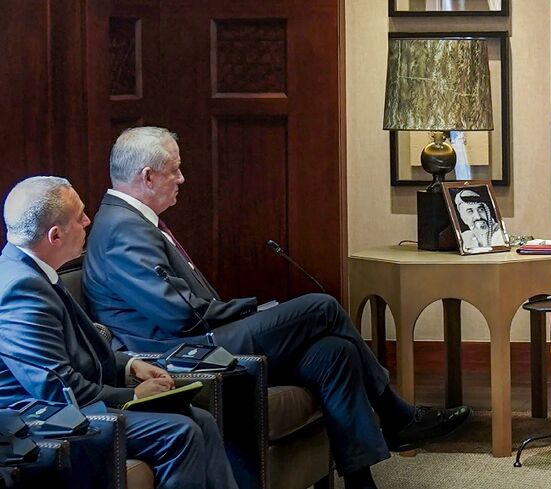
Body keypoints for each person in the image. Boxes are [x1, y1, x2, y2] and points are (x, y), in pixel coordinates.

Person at [82, 127, 471, 489]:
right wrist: (249, 309)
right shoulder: (122, 228)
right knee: (321, 306)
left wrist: (247, 312)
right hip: (184, 352)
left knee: (333, 352)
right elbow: (180, 314)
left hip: (199, 336)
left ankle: (360, 481)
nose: (182, 178)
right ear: (147, 177)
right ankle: (397, 415)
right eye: (175, 170)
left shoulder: (132, 223)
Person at [0, 176, 238, 489]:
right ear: (55, 235)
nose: (88, 221)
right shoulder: (22, 289)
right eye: (80, 216)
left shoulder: (34, 270)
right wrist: (133, 395)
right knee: (180, 432)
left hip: (68, 407)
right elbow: (57, 388)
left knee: (202, 420)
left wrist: (127, 365)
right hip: (45, 421)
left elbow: (75, 351)